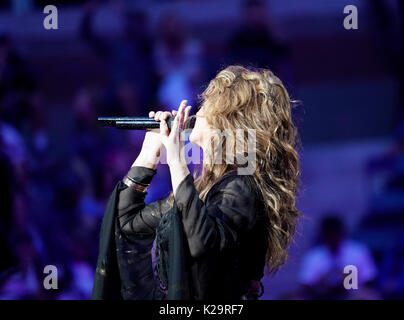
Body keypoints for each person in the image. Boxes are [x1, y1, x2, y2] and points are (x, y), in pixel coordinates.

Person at [92, 65, 301, 300]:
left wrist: (176, 161)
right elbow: (128, 224)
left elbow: (203, 246)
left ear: (228, 119)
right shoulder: (202, 191)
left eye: (208, 102)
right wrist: (148, 155)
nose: (197, 108)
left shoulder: (242, 187)